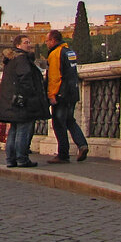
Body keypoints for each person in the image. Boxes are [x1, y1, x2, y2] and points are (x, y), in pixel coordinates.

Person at [0, 34, 50, 168]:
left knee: (14, 130)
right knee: (23, 130)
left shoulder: (11, 60)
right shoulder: (22, 59)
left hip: (11, 101)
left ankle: (10, 159)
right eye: (26, 42)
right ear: (18, 45)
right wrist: (31, 95)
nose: (29, 44)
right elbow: (25, 78)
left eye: (29, 42)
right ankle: (21, 158)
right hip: (22, 102)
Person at [45, 30, 89, 164]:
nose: (46, 43)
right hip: (73, 92)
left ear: (53, 40)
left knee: (58, 123)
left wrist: (51, 95)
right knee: (70, 120)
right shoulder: (69, 52)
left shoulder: (55, 54)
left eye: (47, 41)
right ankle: (82, 144)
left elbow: (54, 77)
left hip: (61, 94)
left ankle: (63, 154)